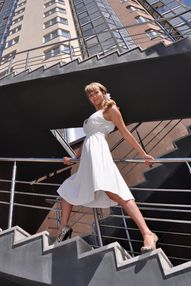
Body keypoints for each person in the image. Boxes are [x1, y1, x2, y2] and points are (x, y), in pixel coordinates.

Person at [56, 82, 158, 252]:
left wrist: (142, 154)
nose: (93, 97)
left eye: (95, 92)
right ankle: (63, 229)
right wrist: (74, 158)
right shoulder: (93, 116)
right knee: (66, 192)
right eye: (90, 95)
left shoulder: (110, 109)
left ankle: (147, 233)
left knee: (114, 191)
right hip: (87, 160)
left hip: (99, 155)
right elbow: (86, 140)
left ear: (103, 92)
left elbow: (125, 132)